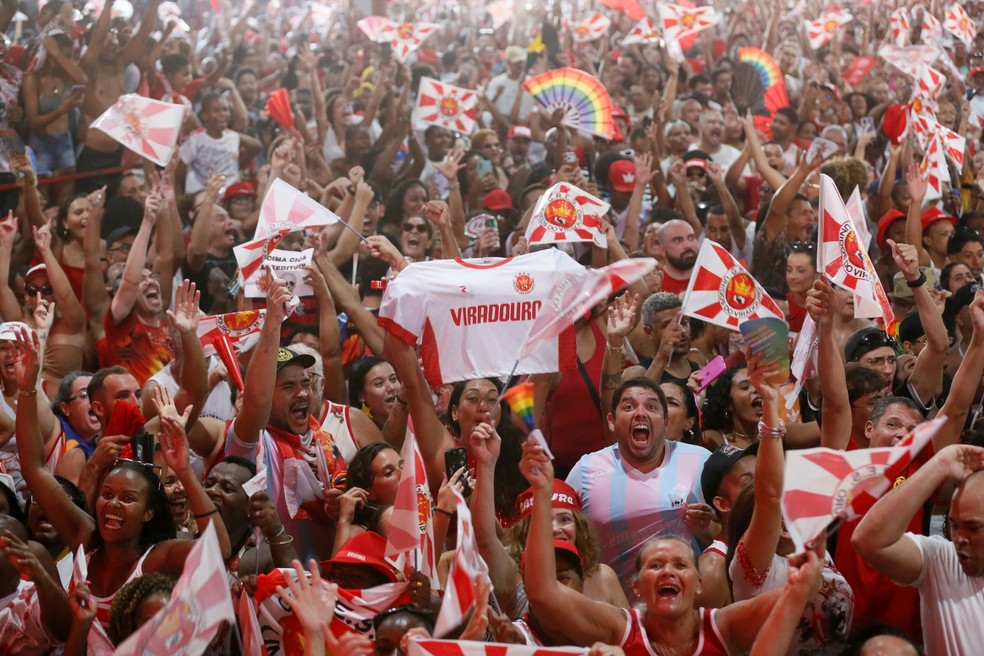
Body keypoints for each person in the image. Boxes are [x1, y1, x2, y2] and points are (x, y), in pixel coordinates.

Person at [522, 439, 812, 654]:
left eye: (680, 564)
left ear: (699, 584)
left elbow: (800, 589)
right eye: (656, 565)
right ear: (636, 587)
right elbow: (542, 592)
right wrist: (542, 491)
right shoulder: (620, 629)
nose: (668, 572)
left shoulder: (724, 626)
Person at [224, 278, 346, 561]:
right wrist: (273, 323)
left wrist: (342, 503)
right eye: (288, 387)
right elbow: (255, 400)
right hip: (269, 582)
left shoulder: (324, 443)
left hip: (320, 577)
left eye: (305, 383)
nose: (302, 393)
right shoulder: (255, 443)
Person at [565, 377, 714, 597]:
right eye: (628, 406)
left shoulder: (700, 461)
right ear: (612, 421)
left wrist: (706, 530)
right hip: (615, 613)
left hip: (684, 603)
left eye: (651, 406)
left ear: (665, 421)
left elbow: (728, 538)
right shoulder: (586, 469)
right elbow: (560, 535)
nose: (640, 413)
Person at [853, 444, 984, 653]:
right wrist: (939, 465)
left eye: (973, 527)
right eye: (954, 525)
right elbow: (868, 540)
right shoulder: (942, 560)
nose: (959, 538)